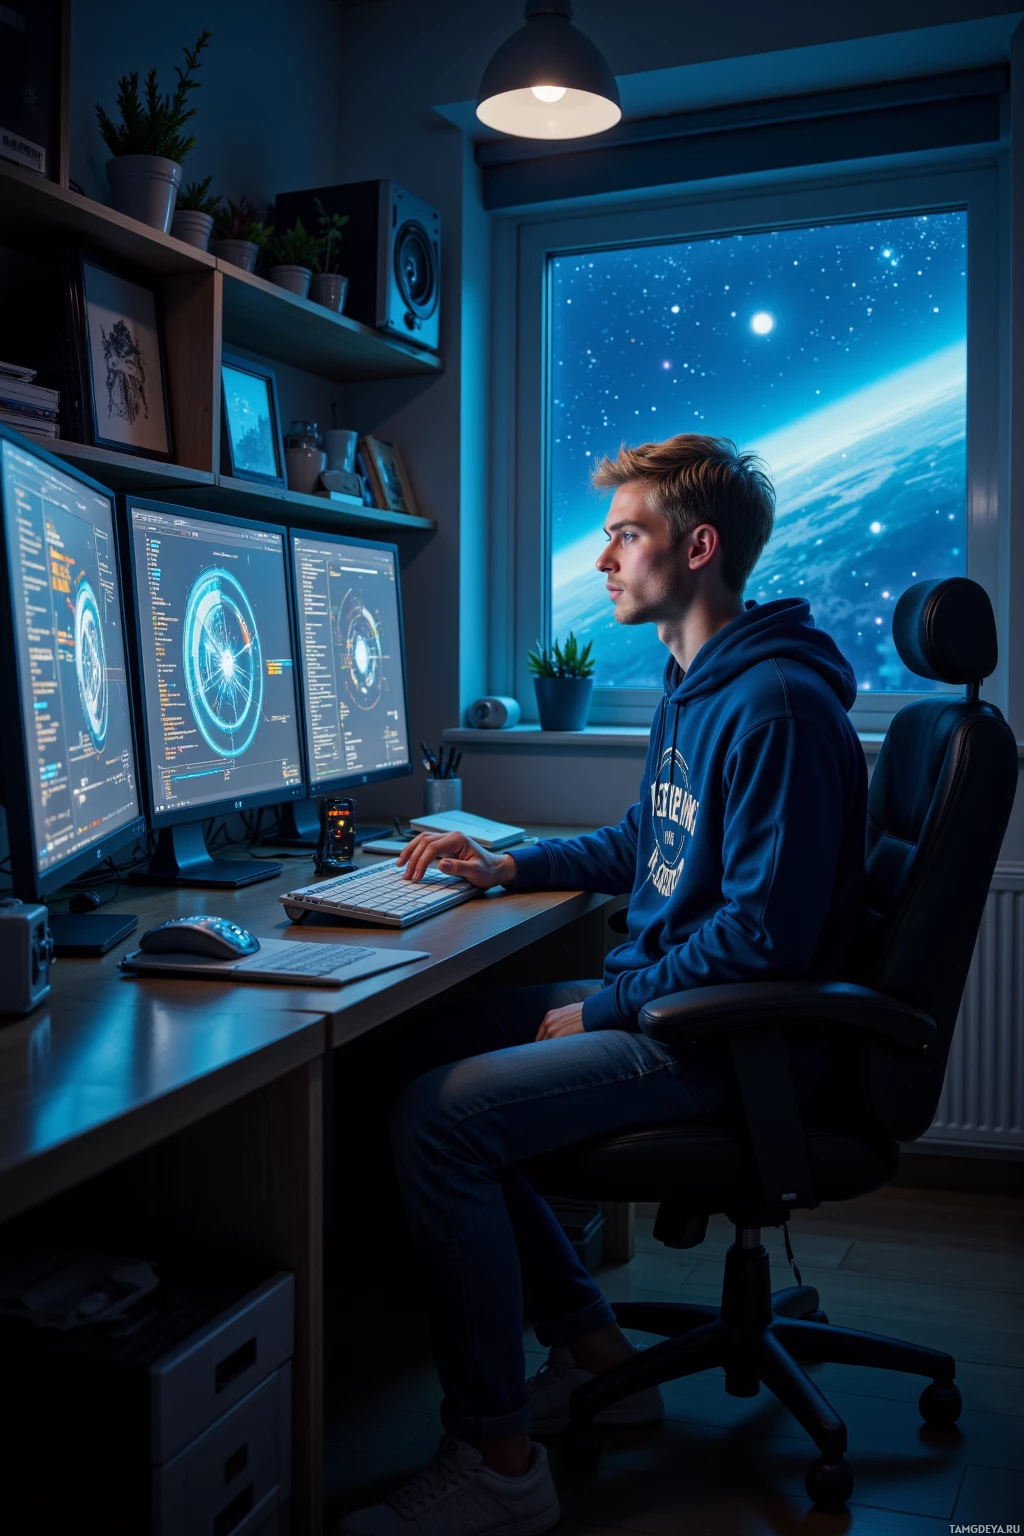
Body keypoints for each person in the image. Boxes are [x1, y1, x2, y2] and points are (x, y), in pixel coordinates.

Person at [339, 434, 867, 1536]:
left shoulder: (771, 705)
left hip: (721, 1044)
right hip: (676, 1008)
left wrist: (603, 1006)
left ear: (699, 547)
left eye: (626, 535)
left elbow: (763, 939)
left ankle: (499, 1464)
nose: (604, 560)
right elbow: (650, 840)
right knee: (393, 1054)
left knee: (440, 1124)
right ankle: (592, 1355)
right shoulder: (696, 680)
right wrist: (512, 863)